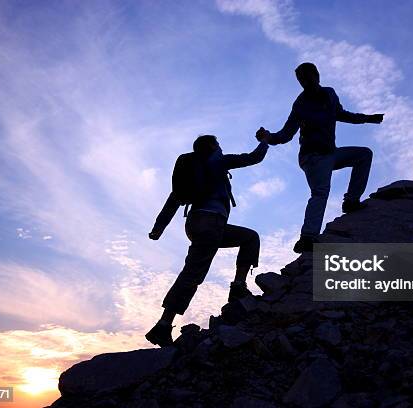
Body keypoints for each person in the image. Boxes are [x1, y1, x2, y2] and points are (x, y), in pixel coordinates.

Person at [145, 134, 270, 347]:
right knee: (193, 272)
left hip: (198, 223)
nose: (221, 147)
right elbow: (253, 158)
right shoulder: (218, 161)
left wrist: (158, 228)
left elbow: (174, 199)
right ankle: (163, 326)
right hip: (211, 222)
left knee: (249, 237)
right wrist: (266, 141)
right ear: (212, 146)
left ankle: (238, 286)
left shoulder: (192, 169)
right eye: (218, 144)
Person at [257, 62, 384, 253]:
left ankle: (351, 201)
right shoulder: (300, 104)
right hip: (313, 157)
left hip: (330, 153)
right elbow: (285, 134)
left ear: (316, 75)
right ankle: (308, 237)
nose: (305, 82)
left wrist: (367, 118)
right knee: (320, 192)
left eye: (307, 76)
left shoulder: (329, 94)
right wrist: (269, 137)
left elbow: (341, 114)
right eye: (301, 79)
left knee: (364, 154)